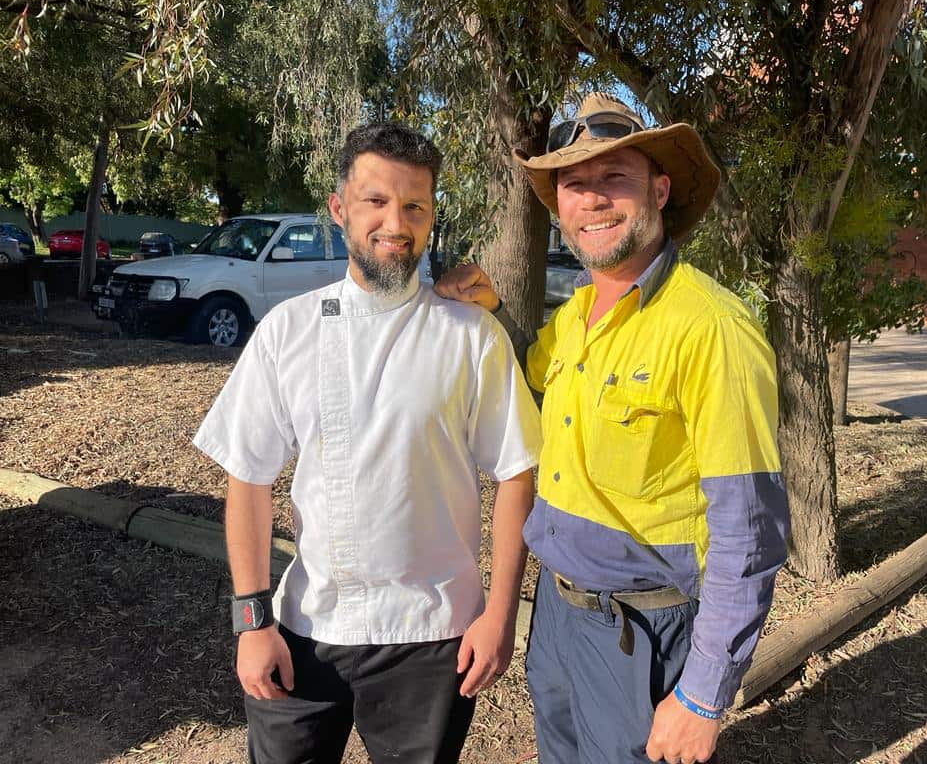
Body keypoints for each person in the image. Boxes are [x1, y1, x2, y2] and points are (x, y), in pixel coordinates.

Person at [435, 92, 791, 764]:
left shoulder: (711, 328)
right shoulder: (575, 318)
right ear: (559, 207)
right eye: (574, 185)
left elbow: (751, 534)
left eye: (614, 179)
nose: (592, 200)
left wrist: (702, 698)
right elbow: (531, 381)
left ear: (659, 190)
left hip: (644, 631)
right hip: (558, 617)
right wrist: (488, 310)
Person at [193, 122, 542, 764]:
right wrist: (251, 621)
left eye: (415, 206)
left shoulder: (471, 336)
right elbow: (247, 478)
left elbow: (516, 473)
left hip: (433, 636)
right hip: (304, 627)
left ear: (433, 217)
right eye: (376, 201)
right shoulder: (285, 331)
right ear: (339, 209)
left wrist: (500, 614)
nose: (396, 223)